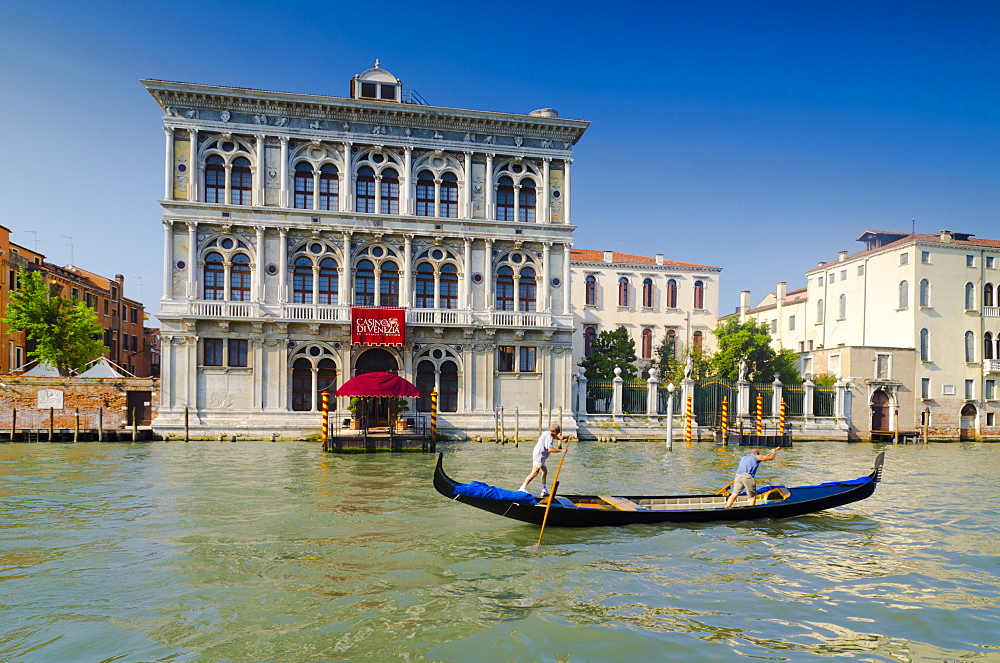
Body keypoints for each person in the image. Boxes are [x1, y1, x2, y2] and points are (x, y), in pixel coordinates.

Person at [518, 425, 568, 497]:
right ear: (554, 431)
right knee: (534, 473)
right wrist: (561, 450)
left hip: (541, 456)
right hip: (539, 456)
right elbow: (550, 449)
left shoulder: (548, 433)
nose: (559, 433)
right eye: (558, 431)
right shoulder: (549, 437)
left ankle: (544, 489)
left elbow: (559, 437)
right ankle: (522, 488)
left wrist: (567, 437)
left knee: (544, 471)